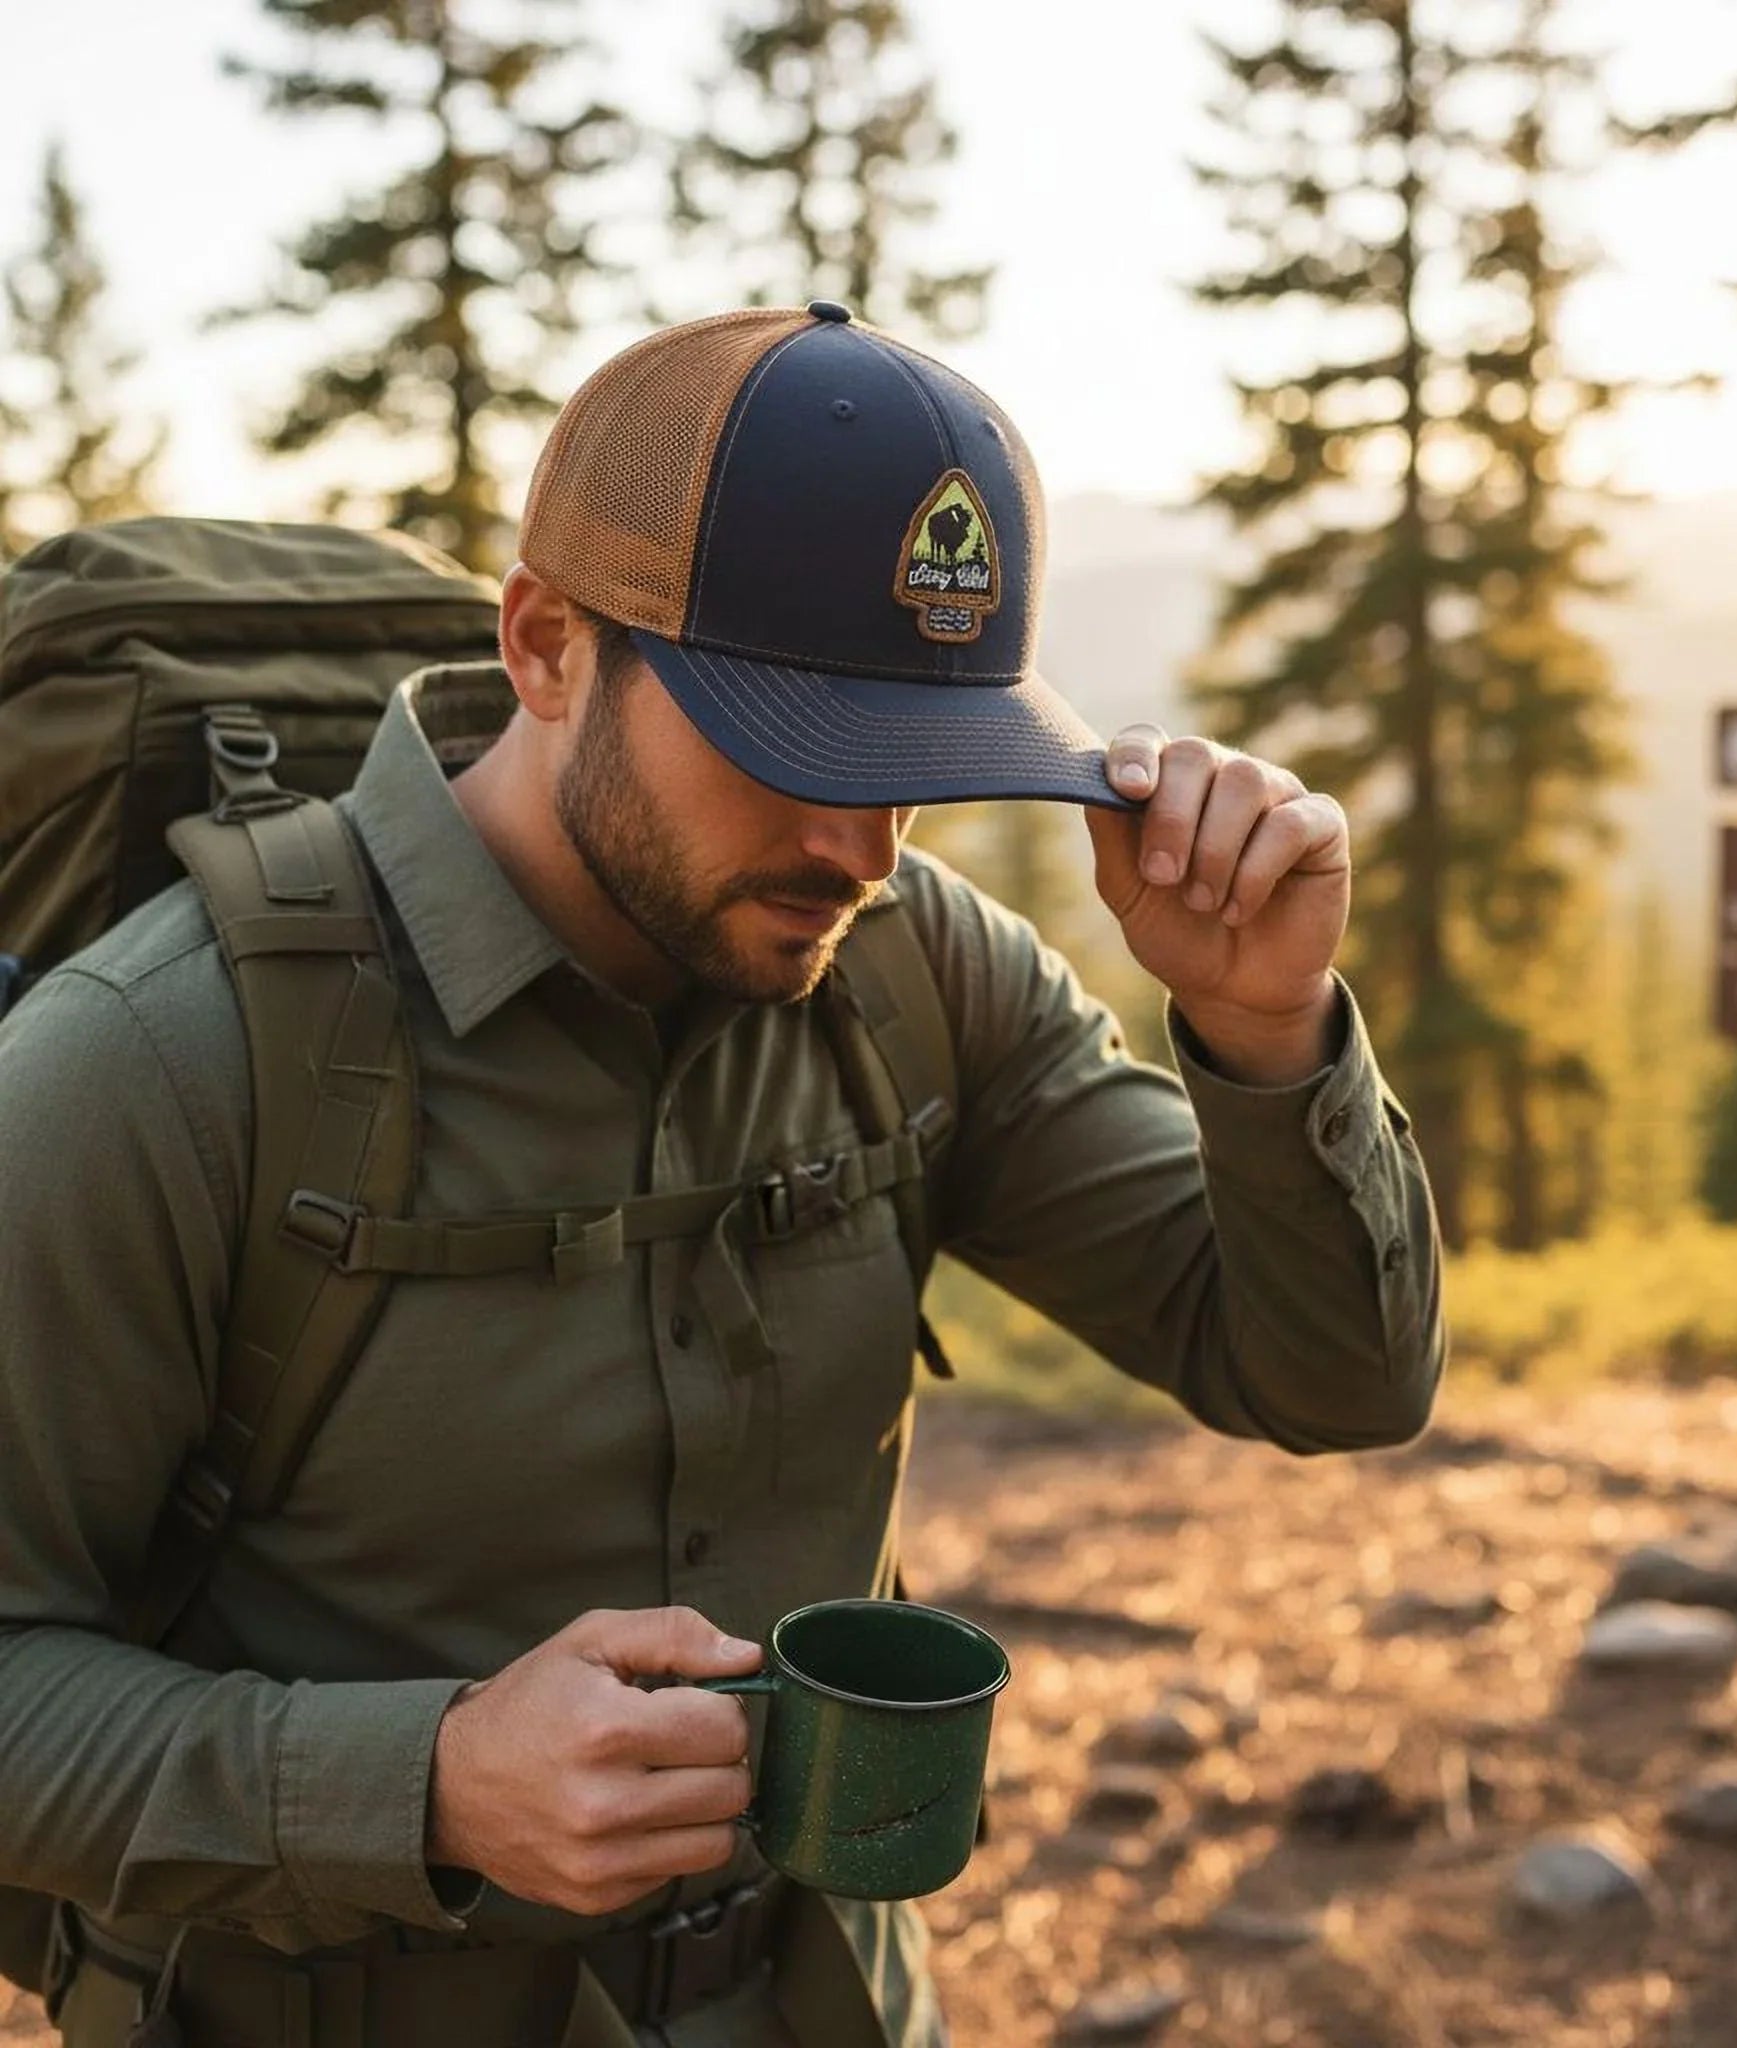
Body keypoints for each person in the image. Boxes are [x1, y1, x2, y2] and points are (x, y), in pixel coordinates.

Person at [0, 302, 1445, 2048]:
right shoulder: (163, 1060)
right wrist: (427, 1781)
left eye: (916, 768)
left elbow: (1341, 1379)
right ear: (546, 647)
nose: (858, 849)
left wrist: (1266, 1033)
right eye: (793, 747)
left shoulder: (917, 973)